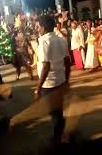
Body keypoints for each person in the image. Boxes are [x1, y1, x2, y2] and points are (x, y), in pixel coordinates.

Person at [34, 15, 71, 144]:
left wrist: (38, 88)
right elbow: (67, 62)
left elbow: (46, 66)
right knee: (57, 111)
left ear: (43, 28)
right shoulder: (61, 40)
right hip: (60, 80)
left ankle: (57, 139)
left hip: (49, 84)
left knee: (54, 112)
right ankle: (60, 133)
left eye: (37, 26)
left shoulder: (44, 41)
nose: (36, 28)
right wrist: (66, 80)